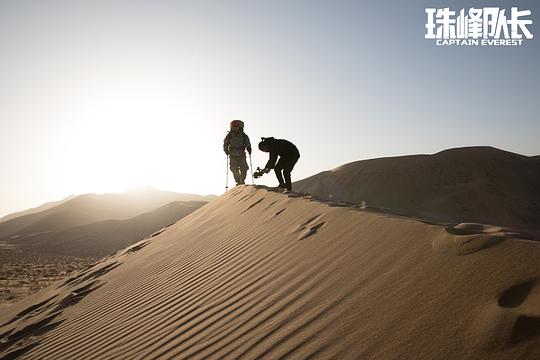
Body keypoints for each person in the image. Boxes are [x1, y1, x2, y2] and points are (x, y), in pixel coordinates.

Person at [223, 120, 252, 185]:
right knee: (233, 168)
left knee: (244, 168)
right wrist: (225, 149)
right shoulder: (229, 135)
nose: (235, 128)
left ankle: (242, 180)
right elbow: (225, 143)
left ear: (239, 127)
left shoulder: (244, 135)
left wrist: (249, 148)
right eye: (234, 126)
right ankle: (238, 181)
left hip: (241, 154)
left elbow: (247, 142)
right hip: (232, 154)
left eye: (236, 126)